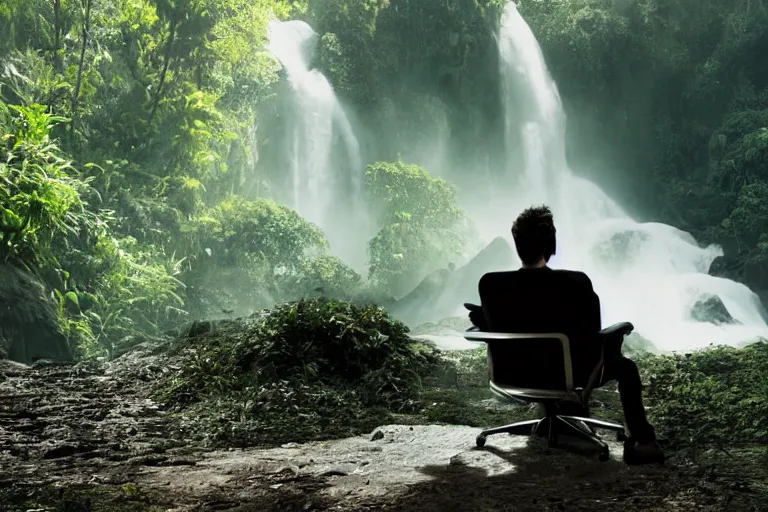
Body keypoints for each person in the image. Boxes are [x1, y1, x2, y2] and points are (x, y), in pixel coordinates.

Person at [470, 205, 665, 465]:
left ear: (517, 245)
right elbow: (593, 338)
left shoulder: (492, 285)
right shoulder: (575, 284)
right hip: (565, 376)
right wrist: (617, 335)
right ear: (551, 246)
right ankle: (643, 442)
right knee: (625, 367)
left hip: (512, 375)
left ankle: (556, 420)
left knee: (558, 361)